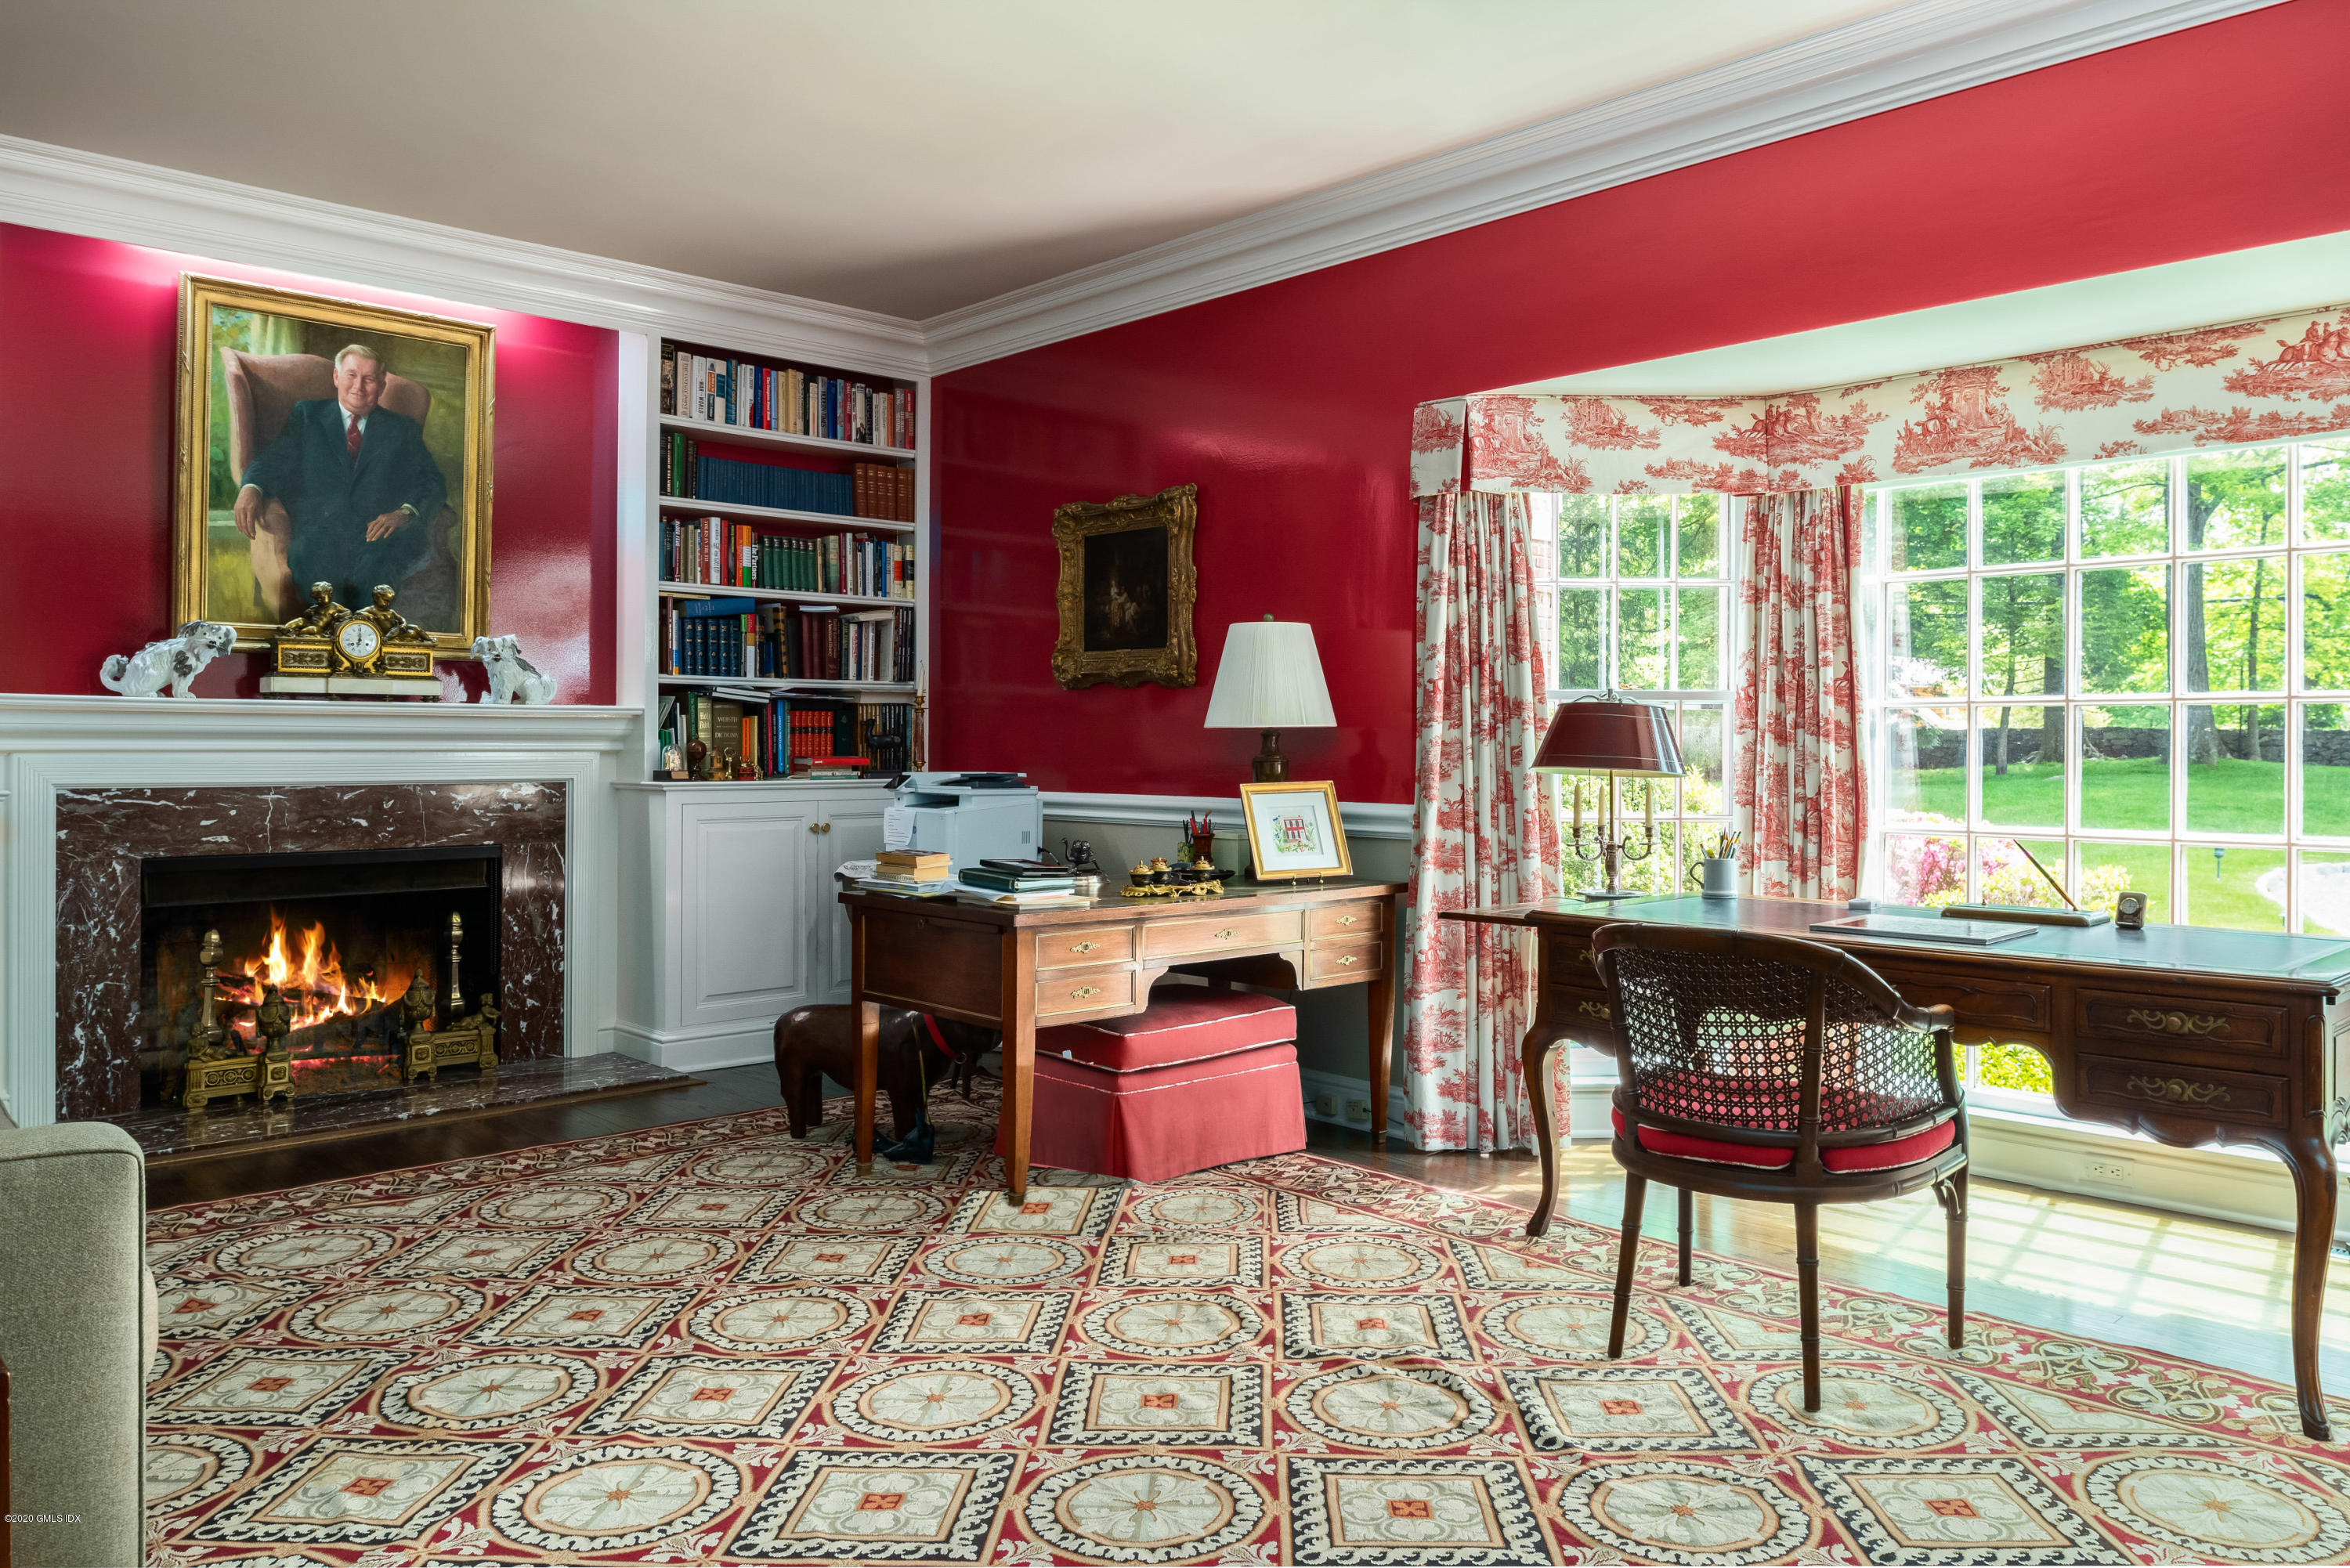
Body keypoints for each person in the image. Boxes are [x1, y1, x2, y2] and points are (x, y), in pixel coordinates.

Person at [233, 345, 447, 620]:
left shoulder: (400, 429)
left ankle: (363, 650)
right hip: (319, 534)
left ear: (381, 386)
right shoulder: (307, 416)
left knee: (374, 584)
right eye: (351, 375)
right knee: (313, 577)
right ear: (336, 377)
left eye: (369, 379)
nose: (359, 386)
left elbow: (432, 482)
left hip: (378, 536)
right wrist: (251, 488)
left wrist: (404, 512)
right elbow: (273, 461)